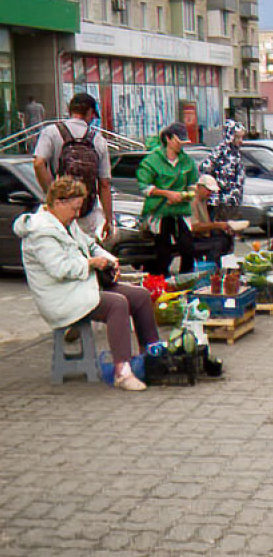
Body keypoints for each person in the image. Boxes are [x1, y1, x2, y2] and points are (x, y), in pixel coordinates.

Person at [13, 177, 155, 391]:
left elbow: (89, 244)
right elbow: (59, 269)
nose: (77, 214)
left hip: (81, 286)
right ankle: (122, 372)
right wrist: (90, 263)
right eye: (74, 208)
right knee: (117, 304)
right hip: (61, 297)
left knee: (140, 295)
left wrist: (108, 258)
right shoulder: (40, 233)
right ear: (59, 203)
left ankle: (152, 356)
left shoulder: (67, 223)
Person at [33, 92, 113, 239]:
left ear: (69, 110)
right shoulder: (98, 139)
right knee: (85, 254)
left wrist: (52, 193)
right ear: (90, 112)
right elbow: (104, 184)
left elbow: (38, 163)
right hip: (86, 212)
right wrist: (109, 219)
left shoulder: (51, 132)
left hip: (58, 209)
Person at [136, 122, 198, 276]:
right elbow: (145, 187)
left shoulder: (187, 162)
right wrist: (167, 194)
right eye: (178, 142)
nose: (180, 146)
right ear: (168, 139)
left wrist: (185, 195)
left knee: (187, 248)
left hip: (180, 212)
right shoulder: (152, 161)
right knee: (163, 252)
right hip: (159, 212)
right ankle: (160, 283)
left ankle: (185, 280)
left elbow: (192, 185)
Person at [199, 119, 246, 221]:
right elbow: (204, 168)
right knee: (219, 231)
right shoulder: (220, 152)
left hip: (232, 201)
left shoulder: (236, 153)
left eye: (242, 137)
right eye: (238, 137)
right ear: (230, 136)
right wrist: (216, 187)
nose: (240, 140)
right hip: (220, 202)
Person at [190, 175, 236, 265]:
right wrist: (217, 225)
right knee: (218, 243)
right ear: (199, 187)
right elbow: (194, 227)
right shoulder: (193, 200)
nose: (210, 193)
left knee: (226, 238)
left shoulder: (203, 199)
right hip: (191, 238)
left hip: (200, 235)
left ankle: (216, 267)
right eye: (208, 190)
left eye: (211, 191)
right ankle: (211, 267)